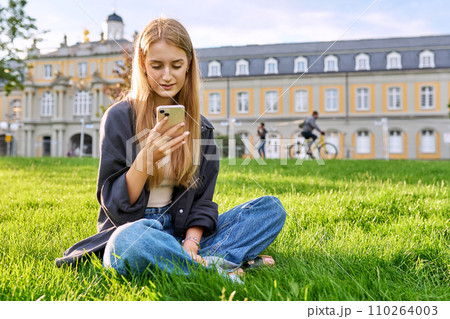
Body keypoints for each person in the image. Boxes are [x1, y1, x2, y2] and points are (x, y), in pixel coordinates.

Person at [55, 18, 286, 282]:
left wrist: (191, 241)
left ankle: (188, 258)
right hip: (136, 230)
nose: (167, 75)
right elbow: (114, 207)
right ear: (142, 65)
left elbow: (202, 201)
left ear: (188, 65)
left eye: (176, 65)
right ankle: (216, 269)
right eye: (157, 65)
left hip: (182, 229)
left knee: (270, 209)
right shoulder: (118, 117)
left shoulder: (202, 128)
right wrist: (145, 158)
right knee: (126, 243)